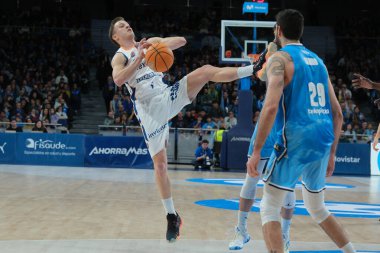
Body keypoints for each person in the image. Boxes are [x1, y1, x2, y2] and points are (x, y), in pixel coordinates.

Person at [109, 16, 265, 242]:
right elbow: (118, 79)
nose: (127, 26)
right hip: (149, 111)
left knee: (206, 71)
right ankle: (171, 215)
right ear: (116, 37)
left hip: (165, 96)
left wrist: (156, 44)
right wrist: (139, 57)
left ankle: (253, 68)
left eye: (127, 23)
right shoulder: (120, 56)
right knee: (160, 166)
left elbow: (181, 41)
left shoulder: (148, 43)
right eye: (121, 26)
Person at [247, 9, 356, 252]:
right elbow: (338, 114)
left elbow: (271, 105)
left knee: (269, 206)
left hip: (296, 138)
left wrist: (256, 151)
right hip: (323, 138)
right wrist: (332, 154)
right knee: (317, 208)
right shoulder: (318, 61)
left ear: (278, 30)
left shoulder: (281, 59)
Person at [229, 41, 295, 252]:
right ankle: (241, 230)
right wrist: (262, 60)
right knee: (252, 178)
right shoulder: (279, 53)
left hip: (288, 124)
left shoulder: (290, 56)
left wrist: (263, 58)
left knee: (288, 185)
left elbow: (263, 74)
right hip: (270, 123)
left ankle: (285, 235)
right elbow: (264, 75)